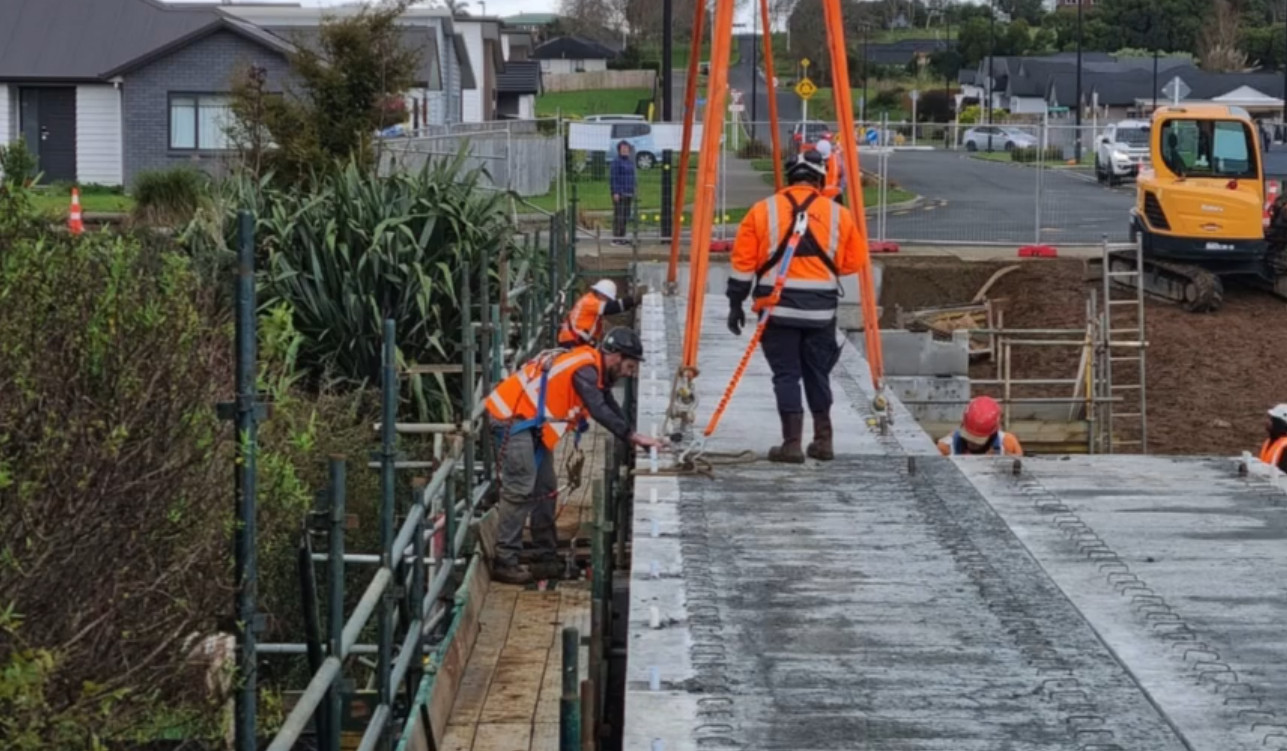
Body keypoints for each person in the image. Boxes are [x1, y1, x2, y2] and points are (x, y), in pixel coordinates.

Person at [485, 327, 664, 584]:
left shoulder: (594, 368)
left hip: (531, 424)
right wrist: (633, 437)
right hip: (512, 420)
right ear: (615, 356)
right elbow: (598, 407)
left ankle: (545, 555)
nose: (630, 373)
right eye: (630, 366)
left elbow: (608, 403)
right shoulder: (584, 369)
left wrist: (633, 434)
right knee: (520, 489)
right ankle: (505, 561)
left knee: (546, 487)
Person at [726, 149, 866, 464]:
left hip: (776, 310)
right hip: (820, 312)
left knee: (786, 374)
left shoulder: (762, 211)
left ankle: (791, 444)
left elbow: (743, 265)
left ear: (789, 177)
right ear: (819, 178)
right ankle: (823, 440)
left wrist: (735, 304)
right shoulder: (838, 215)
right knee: (818, 372)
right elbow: (852, 262)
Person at [558, 279, 645, 348]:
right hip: (572, 341)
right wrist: (632, 301)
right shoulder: (591, 302)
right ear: (602, 294)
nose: (607, 301)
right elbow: (611, 308)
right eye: (608, 298)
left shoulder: (589, 300)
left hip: (573, 339)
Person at [937, 396, 1024, 456]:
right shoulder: (946, 448)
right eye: (968, 436)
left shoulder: (1008, 445)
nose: (971, 443)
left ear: (992, 435)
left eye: (977, 440)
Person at [610, 140, 636, 246]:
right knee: (619, 215)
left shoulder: (629, 162)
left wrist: (633, 189)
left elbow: (632, 177)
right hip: (620, 193)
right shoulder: (616, 162)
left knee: (625, 215)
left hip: (628, 192)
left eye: (627, 149)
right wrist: (615, 192)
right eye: (623, 149)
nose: (625, 150)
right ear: (619, 150)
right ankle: (617, 238)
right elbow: (614, 178)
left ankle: (622, 236)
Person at [814, 137, 845, 205]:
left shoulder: (838, 160)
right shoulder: (814, 162)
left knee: (834, 215)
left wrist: (841, 189)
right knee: (823, 215)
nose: (824, 160)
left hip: (834, 197)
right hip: (819, 198)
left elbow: (844, 175)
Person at [1258, 404, 1287, 473]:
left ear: (1279, 423)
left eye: (1271, 419)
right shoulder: (1270, 441)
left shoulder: (1285, 447)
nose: (1267, 422)